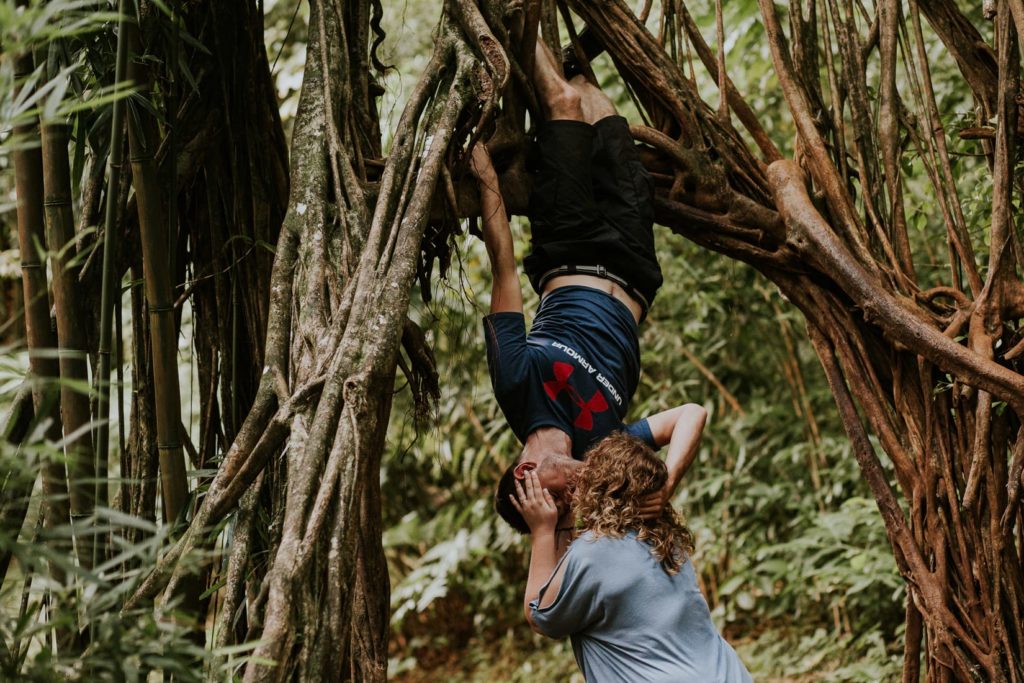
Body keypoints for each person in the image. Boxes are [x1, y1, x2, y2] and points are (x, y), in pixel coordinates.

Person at [469, 38, 698, 532]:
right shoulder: (605, 446)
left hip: (568, 247)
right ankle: (567, 61)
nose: (578, 496)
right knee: (600, 109)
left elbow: (504, 269)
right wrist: (667, 483)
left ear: (526, 472)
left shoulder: (516, 385)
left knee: (567, 105)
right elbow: (690, 414)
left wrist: (487, 179)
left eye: (560, 499)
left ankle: (520, 27)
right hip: (634, 269)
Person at [510, 431, 753, 682]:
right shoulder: (665, 535)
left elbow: (542, 618)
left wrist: (542, 531)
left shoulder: (595, 552)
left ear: (599, 485)